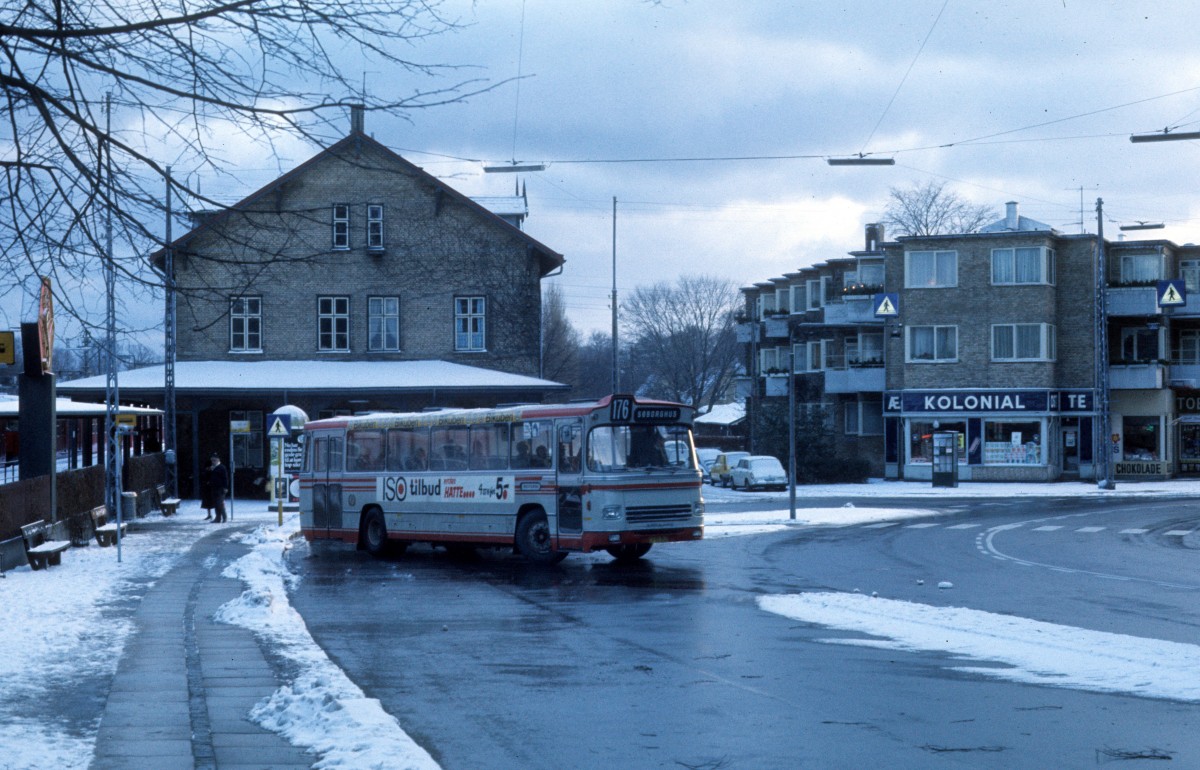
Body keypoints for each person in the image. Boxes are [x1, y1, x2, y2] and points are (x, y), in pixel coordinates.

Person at [209, 453, 229, 523]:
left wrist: (225, 487)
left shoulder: (222, 467)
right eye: (212, 460)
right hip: (214, 488)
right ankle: (218, 518)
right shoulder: (213, 468)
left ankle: (224, 517)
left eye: (214, 460)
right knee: (216, 503)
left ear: (218, 460)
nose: (213, 462)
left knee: (219, 503)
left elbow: (225, 478)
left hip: (220, 488)